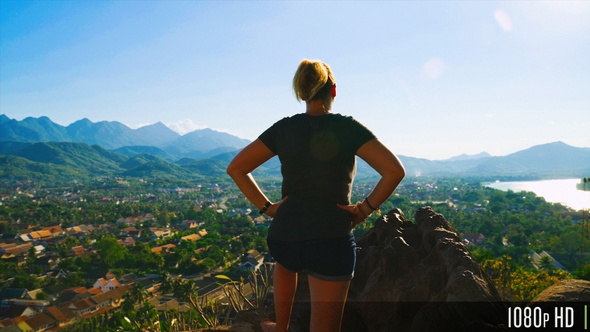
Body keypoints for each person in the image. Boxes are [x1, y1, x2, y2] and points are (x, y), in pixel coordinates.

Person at [226, 59, 405, 332]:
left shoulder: (283, 129)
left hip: (285, 234)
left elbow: (237, 168)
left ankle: (280, 327)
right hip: (331, 238)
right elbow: (394, 171)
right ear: (333, 91)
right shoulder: (347, 128)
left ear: (301, 94)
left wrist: (268, 208)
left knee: (285, 263)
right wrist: (364, 209)